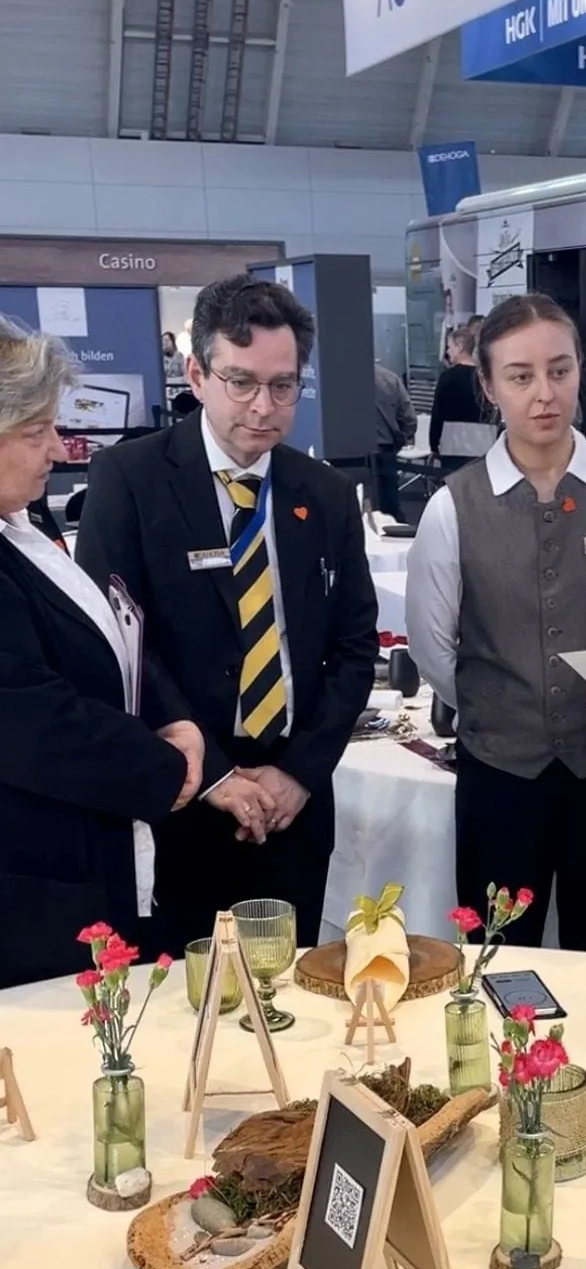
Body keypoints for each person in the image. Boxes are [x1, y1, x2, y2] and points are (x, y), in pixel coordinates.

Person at [76, 274, 378, 955]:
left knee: (293, 993)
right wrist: (213, 773)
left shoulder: (323, 493)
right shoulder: (129, 479)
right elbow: (121, 642)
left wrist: (299, 772)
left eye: (283, 385)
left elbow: (355, 646)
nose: (262, 407)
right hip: (184, 795)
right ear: (196, 373)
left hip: (294, 799)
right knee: (192, 1005)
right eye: (240, 382)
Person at [406, 291, 586, 954]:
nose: (543, 393)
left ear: (581, 371)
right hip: (499, 776)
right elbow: (433, 645)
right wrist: (495, 708)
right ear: (488, 387)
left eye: (559, 370)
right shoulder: (452, 507)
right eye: (520, 377)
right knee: (496, 956)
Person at [0, 317, 203, 986]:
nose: (56, 450)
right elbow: (35, 719)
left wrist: (160, 721)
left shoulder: (24, 521)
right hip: (32, 888)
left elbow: (101, 643)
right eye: (34, 434)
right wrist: (164, 766)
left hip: (84, 851)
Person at [428, 323, 485, 469]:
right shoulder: (483, 378)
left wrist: (434, 444)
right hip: (482, 440)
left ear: (460, 347)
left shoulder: (447, 377)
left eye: (450, 347)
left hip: (453, 441)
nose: (448, 352)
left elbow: (438, 413)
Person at [374, 360, 417, 517]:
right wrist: (400, 440)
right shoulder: (389, 379)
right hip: (385, 450)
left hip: (346, 456)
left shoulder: (335, 379)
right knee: (390, 508)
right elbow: (409, 419)